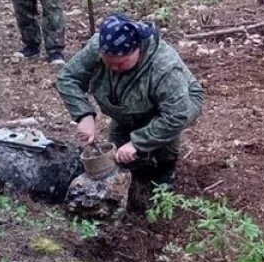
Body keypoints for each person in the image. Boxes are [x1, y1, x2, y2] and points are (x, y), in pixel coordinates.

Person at [57, 14, 204, 189]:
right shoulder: (99, 46)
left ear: (138, 49)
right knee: (118, 155)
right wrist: (84, 115)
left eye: (121, 63)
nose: (114, 68)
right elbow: (67, 78)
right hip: (128, 106)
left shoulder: (164, 67)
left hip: (180, 103)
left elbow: (177, 115)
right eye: (109, 62)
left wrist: (137, 142)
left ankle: (165, 173)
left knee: (163, 144)